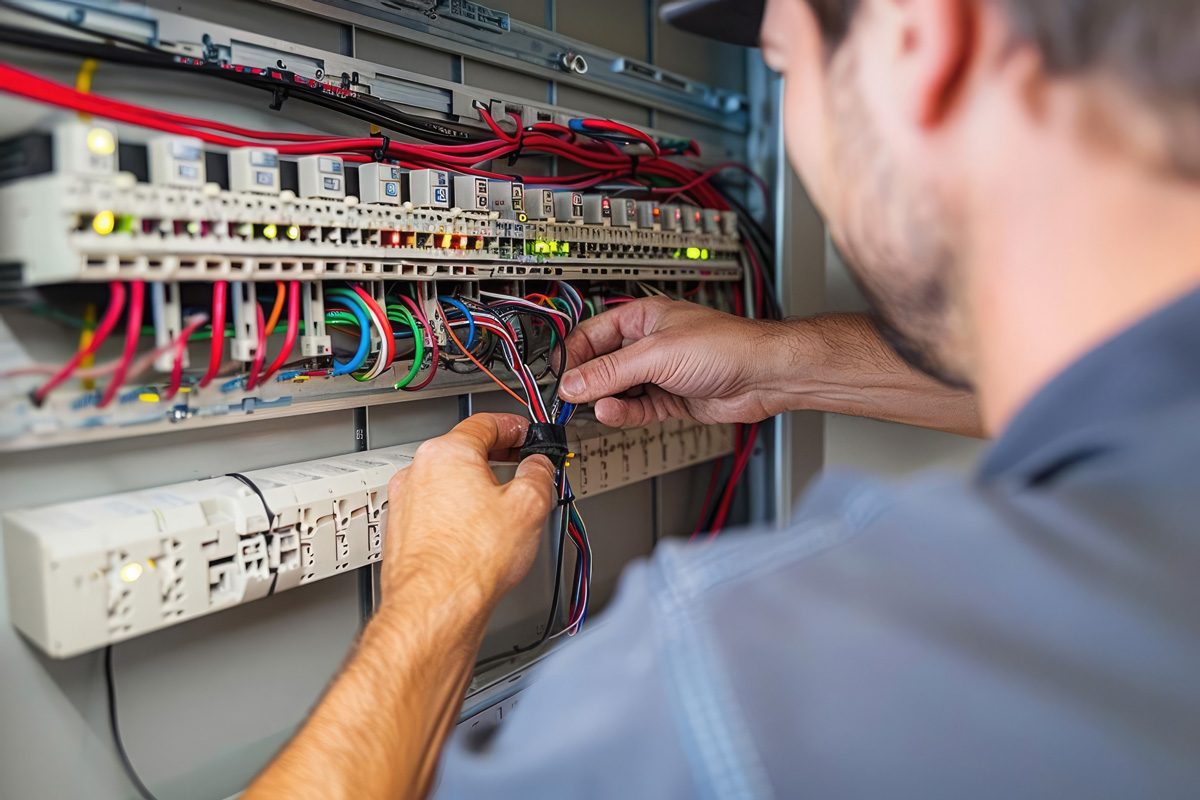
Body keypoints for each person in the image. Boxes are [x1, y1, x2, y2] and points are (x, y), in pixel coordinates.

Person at [244, 0, 1200, 797]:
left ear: (921, 44)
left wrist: (432, 602)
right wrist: (782, 365)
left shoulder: (740, 681)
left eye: (785, 65)